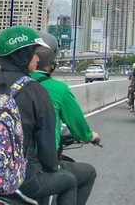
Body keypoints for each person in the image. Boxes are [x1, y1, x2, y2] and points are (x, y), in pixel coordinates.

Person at [0, 26, 77, 205]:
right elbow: (47, 148)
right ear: (23, 55)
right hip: (25, 181)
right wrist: (51, 168)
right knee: (69, 182)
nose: (37, 58)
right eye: (34, 52)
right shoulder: (36, 91)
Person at [31, 32, 99, 205]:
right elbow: (79, 128)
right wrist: (90, 136)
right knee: (84, 174)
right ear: (52, 60)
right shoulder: (58, 89)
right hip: (37, 167)